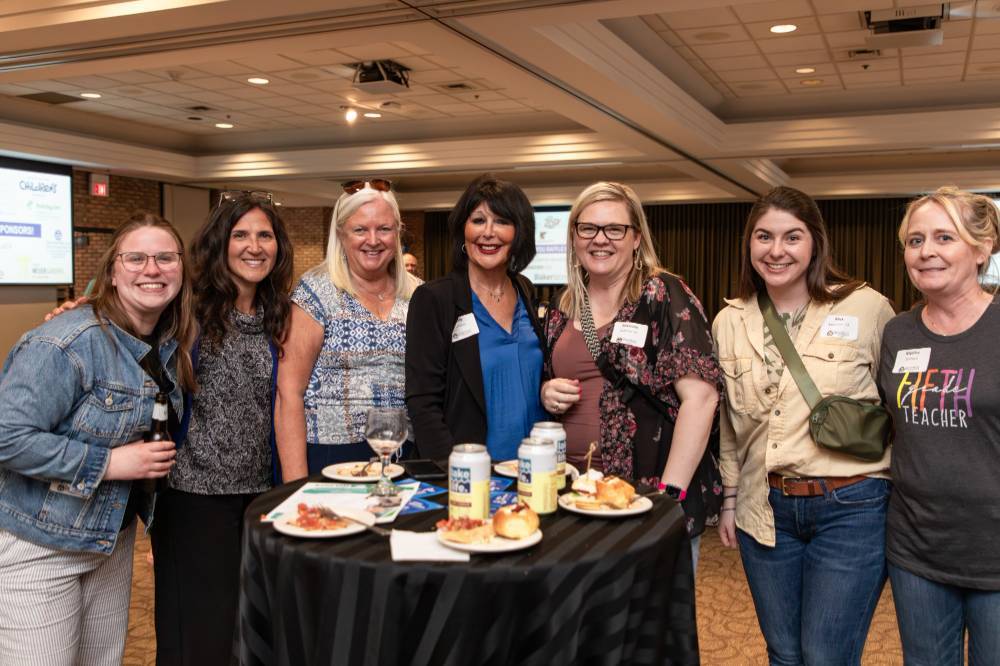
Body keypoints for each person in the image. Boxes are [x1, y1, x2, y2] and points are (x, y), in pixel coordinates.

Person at [0, 212, 196, 665]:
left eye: (166, 258)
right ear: (111, 271)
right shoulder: (67, 341)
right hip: (40, 545)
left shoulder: (167, 340)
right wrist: (107, 464)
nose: (152, 269)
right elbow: (7, 436)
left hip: (109, 540)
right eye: (137, 258)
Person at [713, 186, 894, 665]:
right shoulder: (729, 321)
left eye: (792, 237)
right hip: (764, 509)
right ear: (748, 244)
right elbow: (729, 427)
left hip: (852, 505)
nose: (776, 250)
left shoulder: (866, 308)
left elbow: (899, 407)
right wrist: (730, 500)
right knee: (784, 654)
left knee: (825, 655)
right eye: (764, 237)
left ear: (815, 242)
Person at [540, 181, 721, 553]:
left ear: (636, 237)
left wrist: (668, 498)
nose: (599, 239)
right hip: (574, 494)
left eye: (615, 229)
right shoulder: (564, 303)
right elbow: (555, 375)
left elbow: (701, 400)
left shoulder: (662, 294)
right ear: (574, 237)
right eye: (587, 228)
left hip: (646, 498)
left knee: (649, 612)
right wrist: (547, 391)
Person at [151, 191, 292, 666]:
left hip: (258, 499)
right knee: (199, 636)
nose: (255, 247)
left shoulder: (279, 316)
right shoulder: (186, 308)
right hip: (193, 497)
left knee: (252, 632)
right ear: (221, 243)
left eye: (265, 236)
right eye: (241, 235)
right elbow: (126, 320)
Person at [878, 187, 1000, 665]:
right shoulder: (898, 333)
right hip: (917, 551)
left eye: (944, 237)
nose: (925, 251)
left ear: (982, 248)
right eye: (915, 240)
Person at [276, 180, 420, 478]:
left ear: (398, 233)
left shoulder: (419, 295)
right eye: (359, 230)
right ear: (340, 235)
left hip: (404, 454)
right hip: (332, 455)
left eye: (384, 229)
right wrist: (294, 485)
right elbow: (289, 392)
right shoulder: (315, 293)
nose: (373, 240)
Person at [405, 174, 545, 461]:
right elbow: (423, 404)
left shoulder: (525, 291)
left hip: (534, 468)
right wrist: (457, 474)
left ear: (519, 233)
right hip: (471, 474)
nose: (488, 233)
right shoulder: (435, 299)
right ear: (462, 230)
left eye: (502, 222)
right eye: (478, 220)